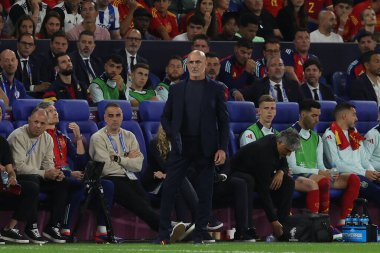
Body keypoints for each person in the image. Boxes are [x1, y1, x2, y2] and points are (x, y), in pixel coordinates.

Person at [157, 50, 229, 244]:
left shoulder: (216, 89)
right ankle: (163, 234)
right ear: (187, 65)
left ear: (205, 64)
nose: (194, 65)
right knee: (169, 189)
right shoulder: (177, 89)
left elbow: (223, 121)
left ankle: (200, 234)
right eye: (191, 62)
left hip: (206, 148)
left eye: (198, 62)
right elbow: (165, 116)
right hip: (181, 147)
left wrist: (222, 148)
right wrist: (173, 134)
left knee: (205, 192)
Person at [89, 102, 186, 242]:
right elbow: (106, 168)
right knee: (137, 202)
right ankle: (166, 227)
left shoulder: (129, 136)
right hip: (109, 179)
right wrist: (127, 158)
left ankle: (165, 229)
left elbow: (138, 165)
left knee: (145, 201)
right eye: (111, 116)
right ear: (105, 117)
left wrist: (118, 159)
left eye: (118, 115)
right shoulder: (97, 137)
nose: (114, 119)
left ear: (122, 117)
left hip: (129, 177)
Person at [288, 100, 360, 228]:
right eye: (313, 116)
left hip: (315, 175)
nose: (317, 120)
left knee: (353, 179)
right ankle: (319, 225)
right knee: (322, 180)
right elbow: (293, 167)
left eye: (318, 116)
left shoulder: (317, 138)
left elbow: (320, 165)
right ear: (303, 114)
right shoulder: (290, 134)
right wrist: (320, 173)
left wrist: (330, 172)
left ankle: (343, 222)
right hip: (296, 176)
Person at [7, 107, 69, 243]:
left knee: (62, 183)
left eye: (42, 123)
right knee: (33, 180)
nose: (38, 126)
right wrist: (44, 173)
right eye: (35, 122)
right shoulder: (18, 136)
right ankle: (32, 227)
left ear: (47, 124)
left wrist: (54, 173)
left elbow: (48, 163)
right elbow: (19, 167)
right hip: (19, 177)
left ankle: (53, 227)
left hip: (37, 175)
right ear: (29, 120)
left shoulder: (47, 138)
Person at [231, 128, 299, 238]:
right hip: (239, 174)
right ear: (279, 142)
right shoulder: (264, 152)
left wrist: (281, 172)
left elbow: (284, 165)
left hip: (259, 174)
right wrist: (273, 220)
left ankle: (283, 224)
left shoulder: (278, 142)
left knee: (289, 183)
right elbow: (264, 191)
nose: (289, 154)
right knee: (250, 181)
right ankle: (246, 229)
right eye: (287, 150)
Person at [323, 102, 380, 207]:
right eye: (354, 114)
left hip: (361, 174)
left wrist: (374, 173)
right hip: (346, 176)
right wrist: (364, 172)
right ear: (344, 116)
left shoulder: (354, 133)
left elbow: (364, 160)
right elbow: (335, 165)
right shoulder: (330, 136)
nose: (357, 118)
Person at [0, 134, 39, 244]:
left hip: (2, 184)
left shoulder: (2, 141)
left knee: (31, 187)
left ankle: (9, 229)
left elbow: (9, 168)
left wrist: (12, 177)